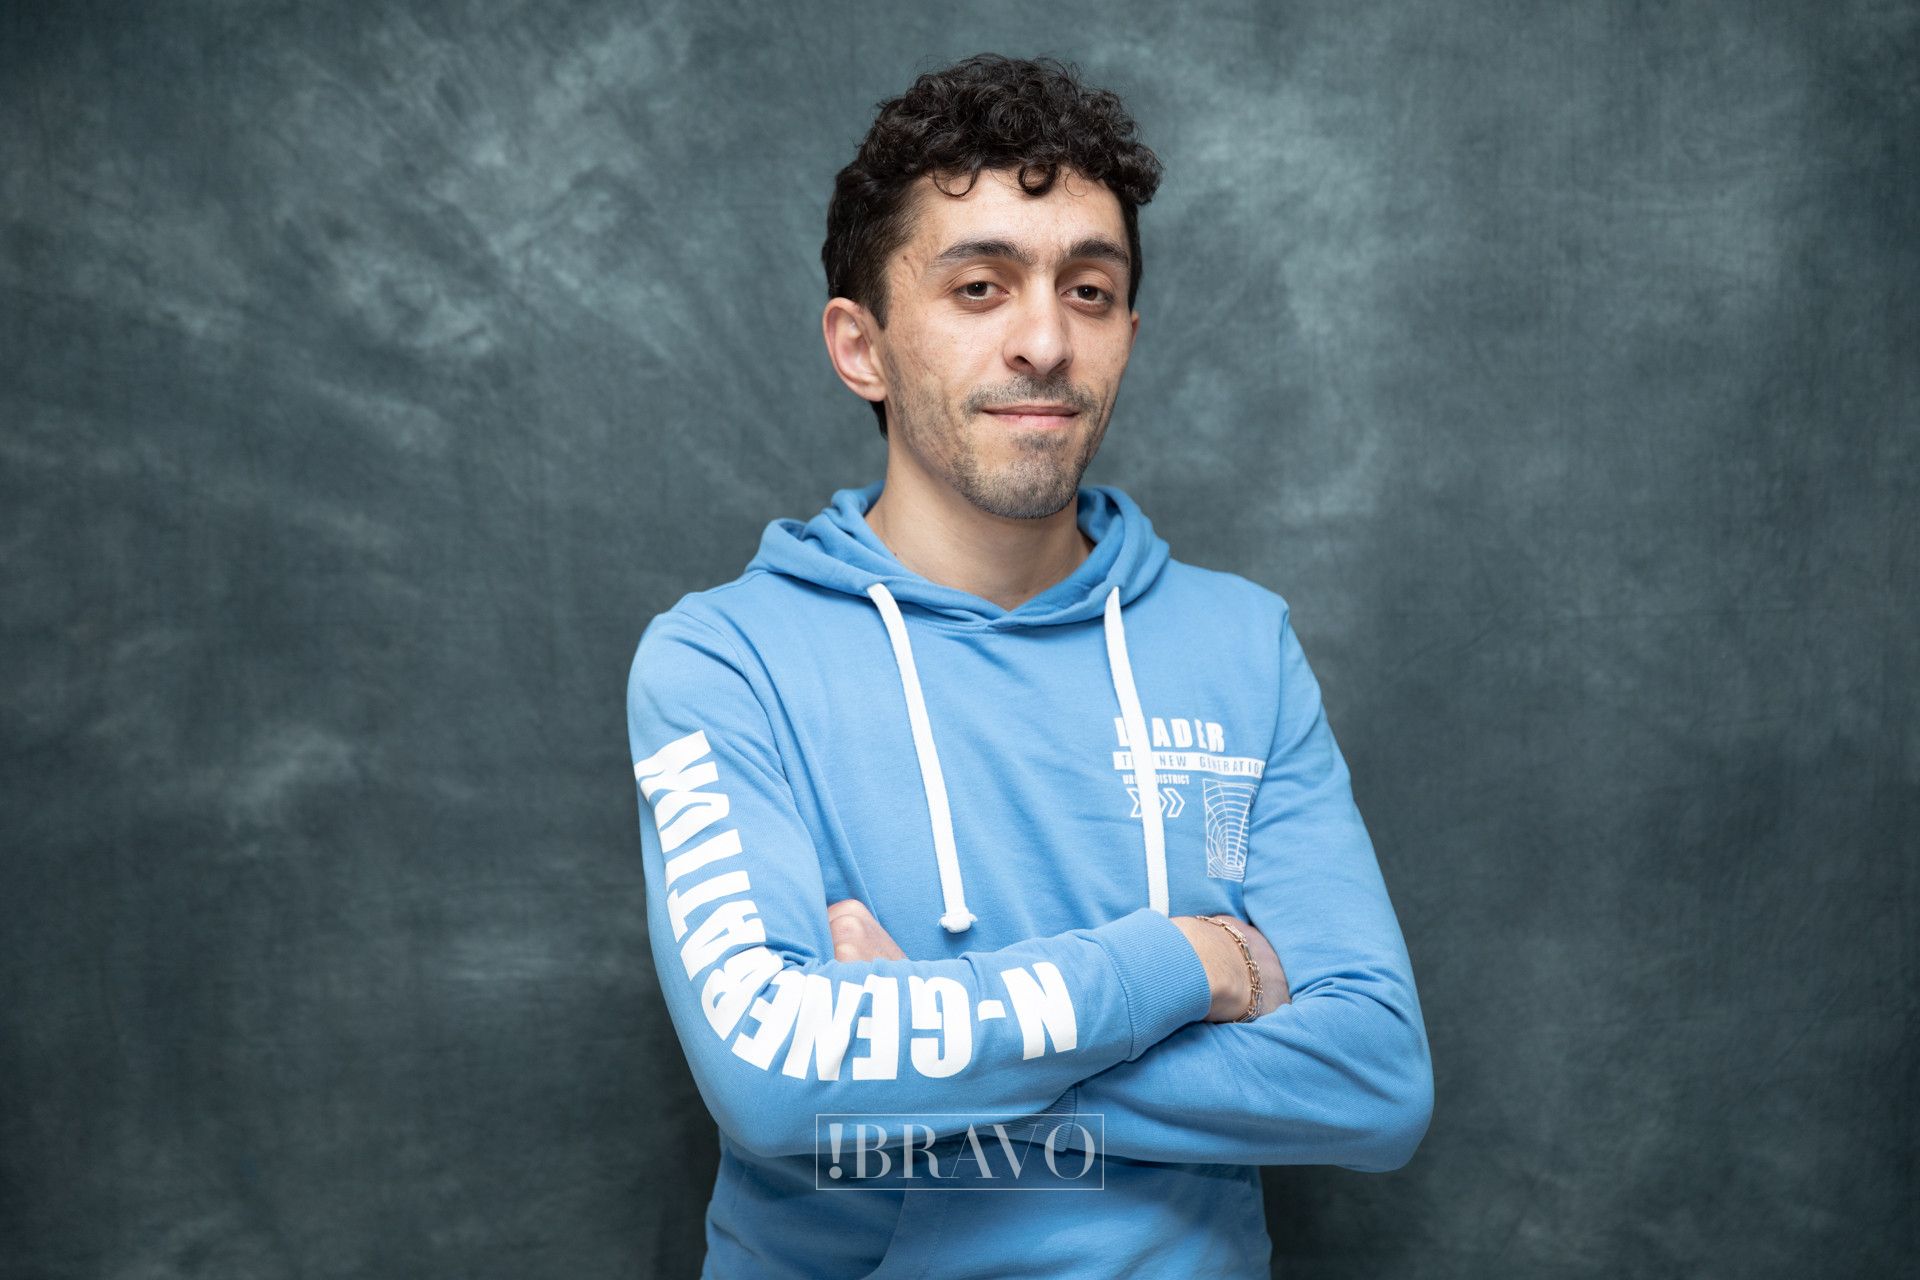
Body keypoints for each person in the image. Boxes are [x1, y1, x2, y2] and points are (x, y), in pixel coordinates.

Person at [625, 52, 1432, 1279]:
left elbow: (1374, 1076)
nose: (1046, 342)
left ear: (1127, 334)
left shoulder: (1240, 643)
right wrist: (1189, 961)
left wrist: (923, 1057)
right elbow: (777, 1078)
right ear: (861, 345)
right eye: (980, 287)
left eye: (1090, 291)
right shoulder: (724, 660)